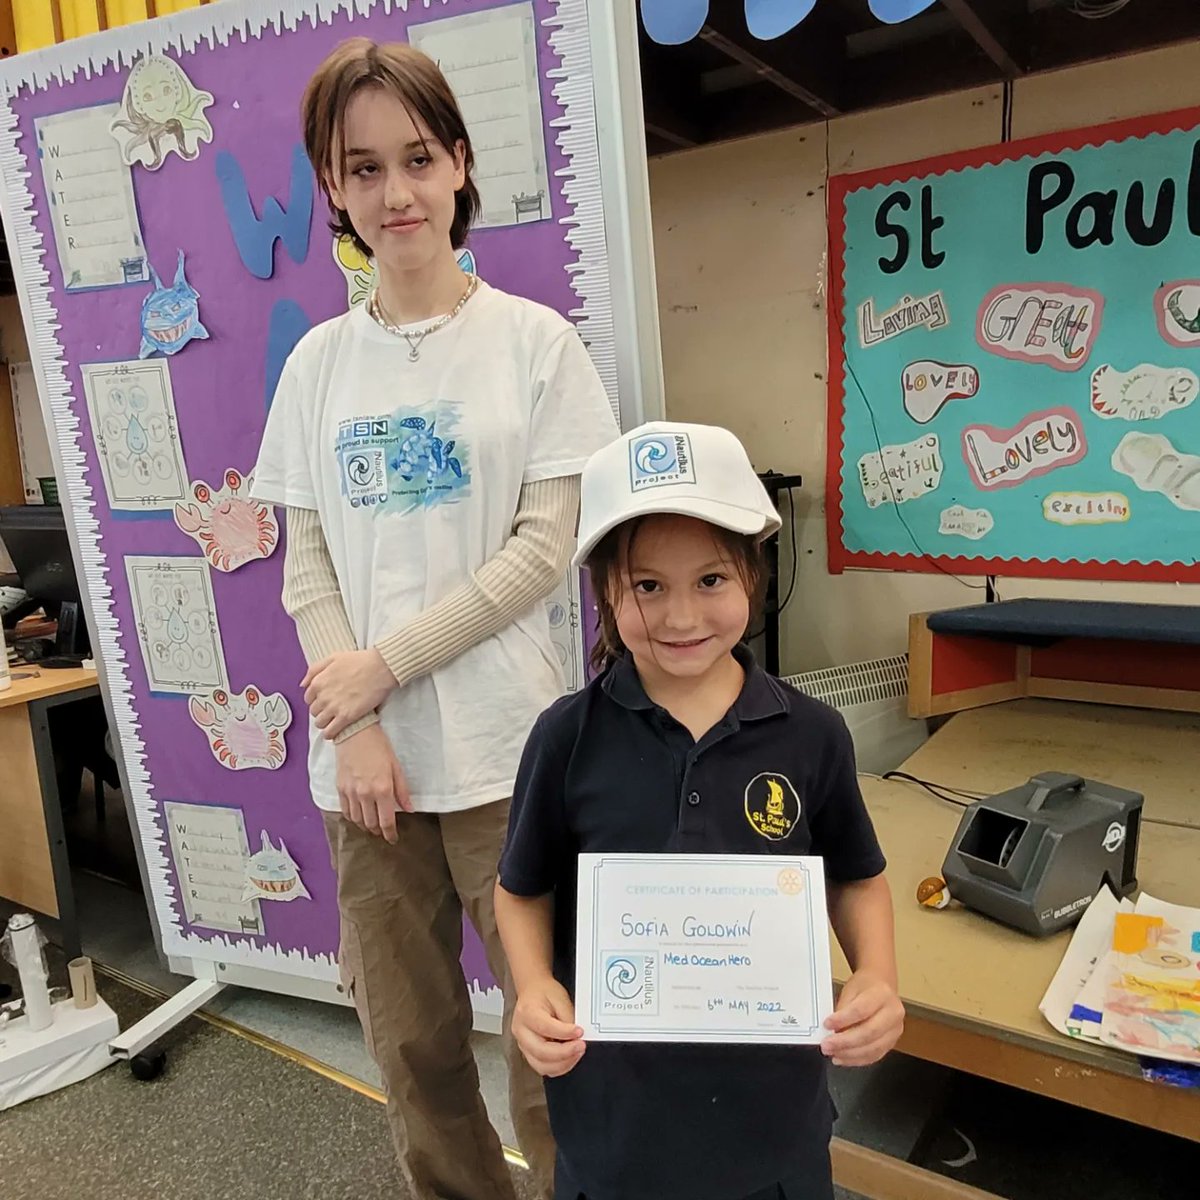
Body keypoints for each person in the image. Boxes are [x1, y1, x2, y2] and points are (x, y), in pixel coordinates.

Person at [251, 38, 618, 1200]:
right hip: (367, 780)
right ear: (334, 191)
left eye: (417, 157)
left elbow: (545, 550)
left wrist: (385, 670)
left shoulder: (535, 344)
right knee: (413, 1051)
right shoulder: (316, 366)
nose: (394, 192)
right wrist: (354, 725)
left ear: (460, 164)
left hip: (515, 755)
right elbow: (304, 563)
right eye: (363, 169)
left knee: (556, 1048)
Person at [495, 422, 905, 1200]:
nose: (682, 615)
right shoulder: (566, 738)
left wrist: (877, 975)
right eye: (648, 586)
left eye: (711, 580)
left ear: (753, 574)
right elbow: (522, 889)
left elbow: (856, 877)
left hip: (772, 1126)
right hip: (613, 1124)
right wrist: (533, 985)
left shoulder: (812, 734)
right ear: (606, 591)